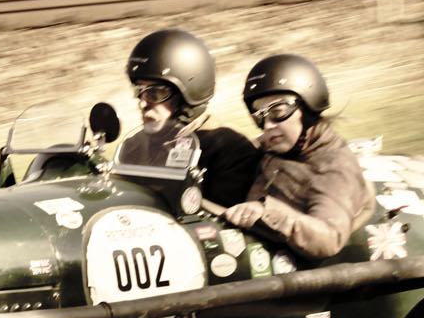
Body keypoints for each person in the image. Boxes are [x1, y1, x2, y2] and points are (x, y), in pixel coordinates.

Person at [221, 53, 375, 261]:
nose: (268, 125)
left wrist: (266, 211)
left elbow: (329, 239)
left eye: (278, 112)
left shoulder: (334, 168)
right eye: (260, 117)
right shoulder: (278, 146)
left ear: (307, 109)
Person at [116, 28, 258, 207]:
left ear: (187, 95)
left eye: (155, 93)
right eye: (139, 91)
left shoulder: (229, 150)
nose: (142, 104)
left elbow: (223, 226)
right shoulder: (136, 145)